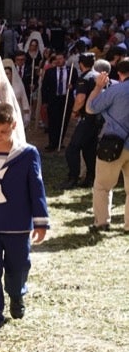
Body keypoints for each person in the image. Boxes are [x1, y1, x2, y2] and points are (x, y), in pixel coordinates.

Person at [0, 102, 49, 338]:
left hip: (17, 225)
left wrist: (41, 221)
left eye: (4, 131)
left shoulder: (27, 153)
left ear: (13, 126)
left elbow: (37, 187)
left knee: (18, 266)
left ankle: (16, 293)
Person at [86, 57, 129, 232]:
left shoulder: (116, 90)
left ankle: (102, 222)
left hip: (113, 144)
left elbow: (90, 108)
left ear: (119, 73)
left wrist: (98, 86)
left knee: (102, 186)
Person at [62, 52, 101, 189]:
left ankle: (73, 178)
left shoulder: (83, 78)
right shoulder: (98, 77)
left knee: (72, 149)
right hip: (98, 119)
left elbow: (80, 99)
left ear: (80, 64)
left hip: (87, 118)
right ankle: (90, 178)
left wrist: (74, 111)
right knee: (89, 149)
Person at [40, 50, 74, 151]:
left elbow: (76, 83)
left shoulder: (71, 71)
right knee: (53, 121)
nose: (58, 61)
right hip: (53, 99)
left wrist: (72, 86)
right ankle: (52, 142)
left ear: (64, 59)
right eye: (56, 59)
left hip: (65, 99)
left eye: (60, 58)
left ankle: (60, 141)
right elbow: (44, 87)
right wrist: (45, 101)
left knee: (63, 120)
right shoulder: (50, 72)